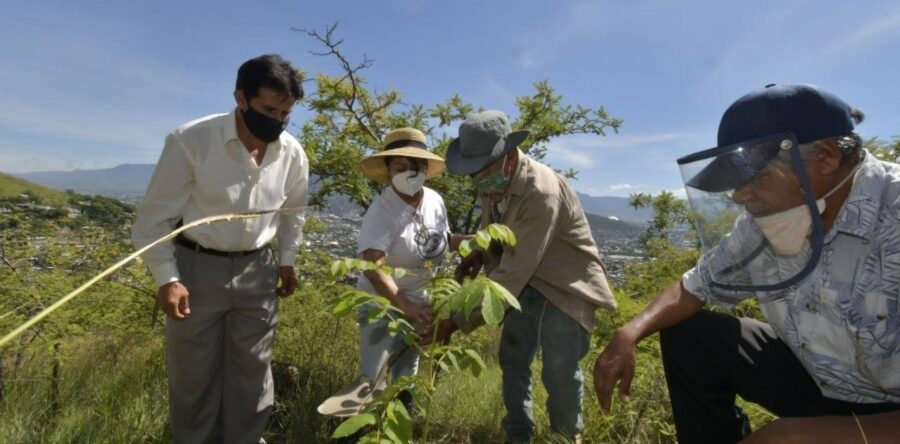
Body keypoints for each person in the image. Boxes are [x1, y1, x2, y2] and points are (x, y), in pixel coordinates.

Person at [593, 84, 900, 443]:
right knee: (690, 335)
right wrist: (628, 332)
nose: (739, 195)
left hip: (887, 411)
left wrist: (796, 436)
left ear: (826, 157)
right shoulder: (761, 223)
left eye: (756, 177)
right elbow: (694, 286)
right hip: (815, 377)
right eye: (735, 182)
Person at [132, 54, 308, 444]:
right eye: (268, 109)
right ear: (240, 97)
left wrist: (287, 260)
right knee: (194, 373)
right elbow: (153, 220)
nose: (277, 120)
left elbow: (294, 212)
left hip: (258, 270)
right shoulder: (192, 140)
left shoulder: (291, 152)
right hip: (197, 269)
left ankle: (246, 438)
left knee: (254, 370)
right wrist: (168, 279)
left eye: (285, 113)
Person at [429, 110, 617, 443]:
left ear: (509, 155)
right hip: (523, 284)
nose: (479, 179)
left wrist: (454, 323)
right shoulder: (494, 182)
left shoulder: (540, 191)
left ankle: (565, 436)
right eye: (474, 172)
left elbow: (513, 273)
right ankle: (518, 435)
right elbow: (497, 232)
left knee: (559, 370)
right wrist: (477, 252)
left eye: (485, 168)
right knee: (513, 360)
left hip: (564, 286)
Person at [352, 127, 470, 411]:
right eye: (401, 167)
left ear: (425, 168)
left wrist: (476, 241)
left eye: (416, 166)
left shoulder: (434, 200)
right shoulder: (383, 210)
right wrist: (403, 305)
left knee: (407, 373)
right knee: (375, 375)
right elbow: (372, 264)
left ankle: (400, 427)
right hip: (383, 304)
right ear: (389, 169)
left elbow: (438, 241)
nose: (409, 172)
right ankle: (366, 433)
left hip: (420, 304)